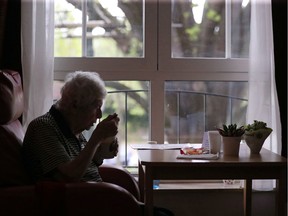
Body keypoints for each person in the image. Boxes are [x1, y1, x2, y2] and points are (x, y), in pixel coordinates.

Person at [22, 71, 174, 216]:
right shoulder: (44, 128)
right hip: (76, 205)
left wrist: (100, 152)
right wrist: (96, 138)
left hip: (95, 200)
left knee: (163, 213)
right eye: (96, 107)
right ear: (75, 105)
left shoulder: (72, 128)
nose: (100, 115)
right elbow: (68, 177)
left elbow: (82, 165)